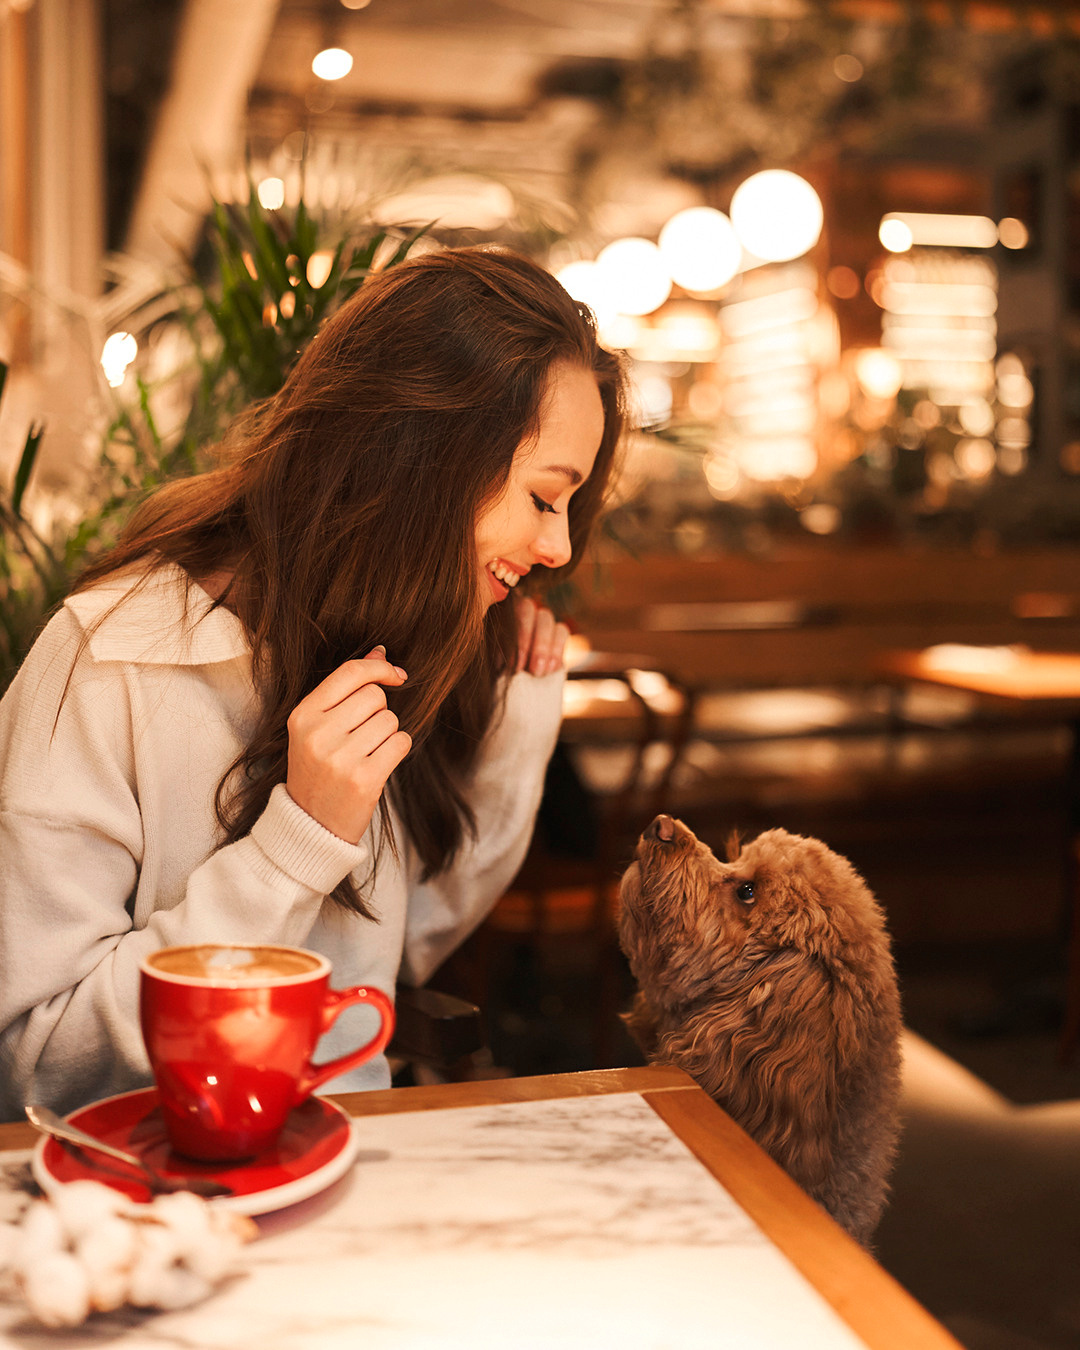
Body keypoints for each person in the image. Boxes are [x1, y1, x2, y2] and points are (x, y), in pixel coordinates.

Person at [0, 246, 625, 1120]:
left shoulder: (381, 640)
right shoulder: (112, 661)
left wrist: (516, 712)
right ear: (420, 459)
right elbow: (34, 1064)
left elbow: (403, 945)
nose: (559, 549)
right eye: (543, 496)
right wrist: (293, 844)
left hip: (352, 1161)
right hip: (142, 1204)